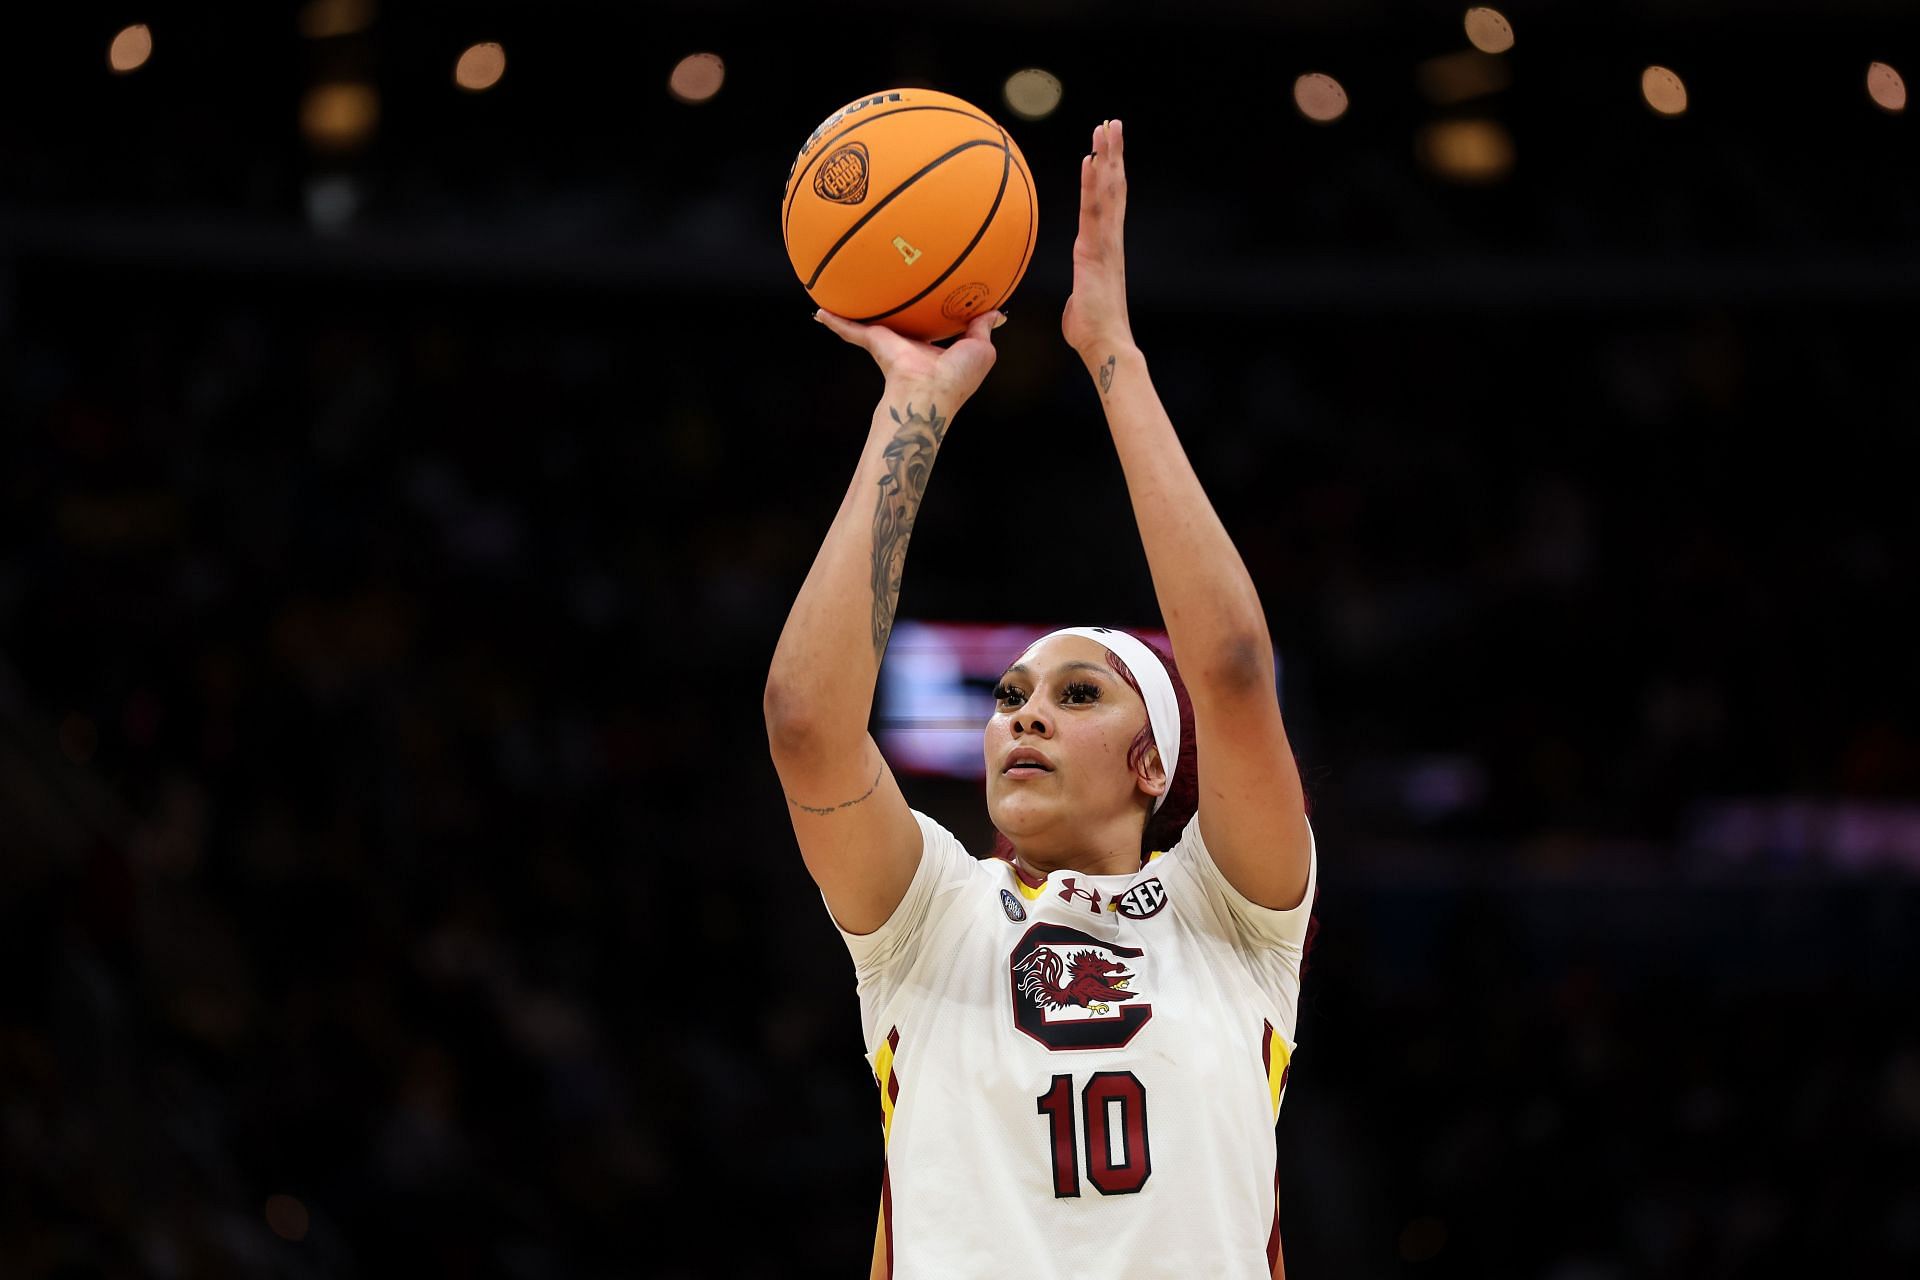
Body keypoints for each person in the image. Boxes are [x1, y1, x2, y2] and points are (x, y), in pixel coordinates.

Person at [764, 118, 1316, 1279]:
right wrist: (912, 401)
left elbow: (1228, 669)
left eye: (1076, 693)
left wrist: (1110, 352)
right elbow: (810, 724)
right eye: (1012, 694)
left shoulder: (1236, 917)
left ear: (1154, 763)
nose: (1022, 712)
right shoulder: (927, 918)